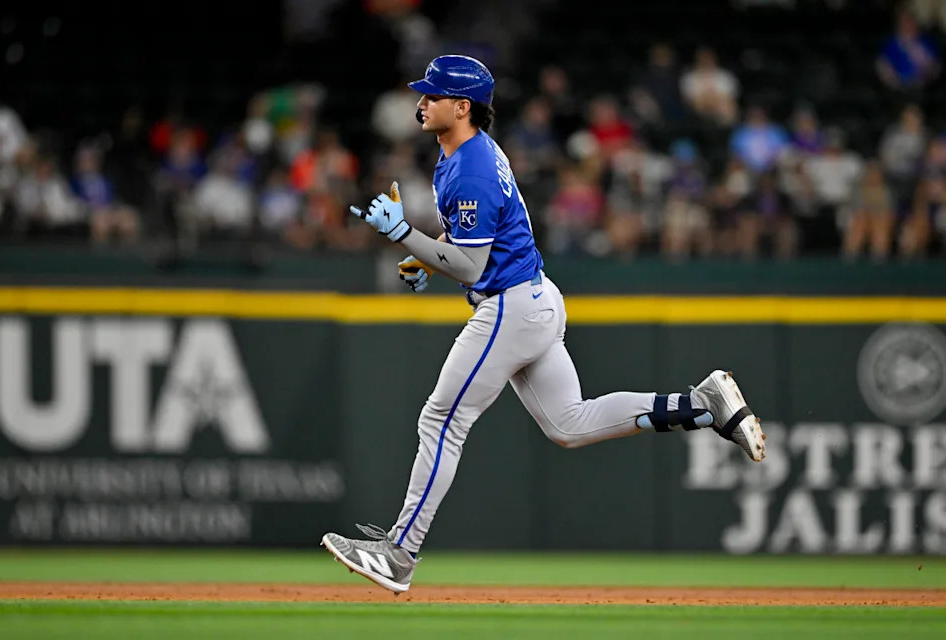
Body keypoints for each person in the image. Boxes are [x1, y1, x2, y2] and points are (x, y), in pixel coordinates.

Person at [321, 55, 766, 594]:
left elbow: (471, 265)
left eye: (433, 96)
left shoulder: (472, 166)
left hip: (511, 305)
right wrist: (421, 255)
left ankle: (400, 553)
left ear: (462, 107)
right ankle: (702, 406)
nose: (421, 103)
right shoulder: (463, 154)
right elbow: (469, 247)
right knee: (569, 424)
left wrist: (403, 236)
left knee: (441, 421)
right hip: (533, 298)